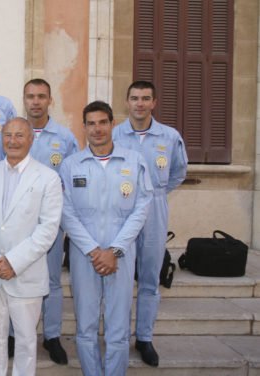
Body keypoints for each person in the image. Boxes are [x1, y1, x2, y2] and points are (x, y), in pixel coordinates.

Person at [60, 101, 153, 376]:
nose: (97, 129)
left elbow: (142, 207)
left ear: (113, 124)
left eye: (103, 122)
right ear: (84, 127)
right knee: (86, 327)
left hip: (121, 256)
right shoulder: (71, 164)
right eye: (91, 123)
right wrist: (93, 251)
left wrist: (115, 249)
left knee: (119, 328)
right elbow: (66, 212)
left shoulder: (134, 161)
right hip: (83, 255)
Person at [0, 117, 63, 375]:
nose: (13, 141)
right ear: (1, 138)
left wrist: (13, 262)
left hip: (26, 273)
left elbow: (48, 229)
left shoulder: (48, 178)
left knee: (25, 339)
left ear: (31, 139)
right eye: (8, 135)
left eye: (20, 135)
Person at [112, 81, 188, 367]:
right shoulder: (114, 133)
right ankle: (118, 335)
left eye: (145, 98)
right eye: (134, 98)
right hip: (121, 209)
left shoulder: (169, 137)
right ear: (127, 102)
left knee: (149, 277)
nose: (139, 104)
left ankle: (144, 337)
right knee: (118, 277)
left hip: (154, 208)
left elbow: (178, 172)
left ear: (154, 102)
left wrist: (152, 197)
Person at [23, 78, 80, 364]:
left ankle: (52, 336)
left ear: (50, 101)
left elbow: (71, 184)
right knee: (18, 278)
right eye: (31, 96)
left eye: (41, 96)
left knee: (52, 281)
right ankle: (17, 335)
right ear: (24, 100)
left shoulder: (66, 138)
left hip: (51, 223)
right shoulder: (13, 133)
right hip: (18, 222)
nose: (36, 101)